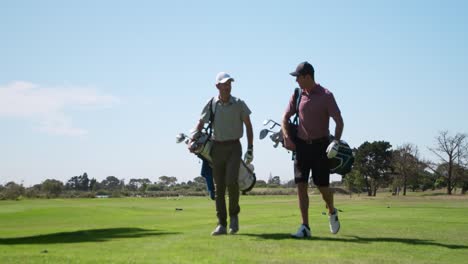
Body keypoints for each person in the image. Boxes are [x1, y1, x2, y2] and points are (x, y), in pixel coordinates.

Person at [281, 61, 344, 238]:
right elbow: (285, 117)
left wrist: (336, 142)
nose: (296, 81)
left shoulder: (326, 95)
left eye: (298, 77)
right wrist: (286, 136)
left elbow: (339, 122)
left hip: (321, 148)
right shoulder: (298, 94)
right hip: (301, 147)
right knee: (301, 185)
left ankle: (331, 210)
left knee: (323, 188)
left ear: (307, 76)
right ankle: (305, 227)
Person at [191, 72, 254, 236]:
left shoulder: (239, 104)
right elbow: (200, 123)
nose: (227, 86)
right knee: (219, 188)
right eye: (224, 84)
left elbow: (248, 126)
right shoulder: (212, 104)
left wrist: (250, 148)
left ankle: (234, 216)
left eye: (229, 84)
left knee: (232, 182)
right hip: (216, 149)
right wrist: (193, 140)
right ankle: (221, 224)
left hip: (234, 147)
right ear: (217, 86)